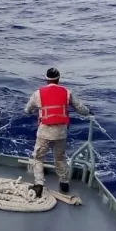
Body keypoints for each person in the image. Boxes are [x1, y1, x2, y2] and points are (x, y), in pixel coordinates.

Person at [23, 67, 92, 197]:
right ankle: (64, 183)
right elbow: (80, 107)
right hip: (61, 132)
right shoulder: (66, 92)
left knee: (38, 158)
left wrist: (27, 111)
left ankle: (39, 185)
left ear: (46, 79)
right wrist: (88, 112)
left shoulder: (38, 93)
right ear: (58, 79)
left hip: (45, 131)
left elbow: (28, 109)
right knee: (60, 158)